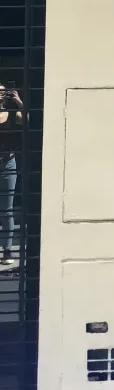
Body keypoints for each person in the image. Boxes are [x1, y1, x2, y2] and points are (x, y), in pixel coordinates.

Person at [0, 83, 23, 264]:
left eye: (3, 92)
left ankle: (7, 251)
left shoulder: (12, 114)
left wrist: (19, 102)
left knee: (6, 209)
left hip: (8, 162)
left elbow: (30, 121)